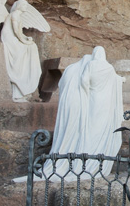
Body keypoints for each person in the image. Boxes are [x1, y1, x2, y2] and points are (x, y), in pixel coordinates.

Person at [37, 46, 125, 181]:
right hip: (106, 102)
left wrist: (84, 94)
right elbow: (116, 79)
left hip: (93, 99)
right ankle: (97, 156)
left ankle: (88, 153)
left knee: (91, 129)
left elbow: (84, 80)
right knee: (101, 129)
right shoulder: (109, 68)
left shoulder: (90, 65)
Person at [0, 0, 42, 102]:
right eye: (23, 5)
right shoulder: (15, 14)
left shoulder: (18, 15)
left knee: (32, 46)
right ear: (18, 6)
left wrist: (26, 38)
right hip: (9, 39)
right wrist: (24, 41)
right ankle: (19, 89)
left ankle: (24, 85)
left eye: (26, 5)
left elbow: (19, 32)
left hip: (15, 38)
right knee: (25, 50)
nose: (25, 7)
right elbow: (15, 31)